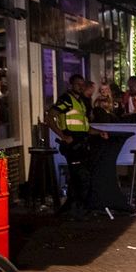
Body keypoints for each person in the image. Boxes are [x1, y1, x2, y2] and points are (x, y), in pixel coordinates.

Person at [47, 74, 109, 218]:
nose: (80, 87)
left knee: (79, 177)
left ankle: (74, 208)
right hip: (73, 144)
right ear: (71, 85)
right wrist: (64, 136)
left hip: (82, 142)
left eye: (82, 84)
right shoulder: (67, 99)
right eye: (77, 84)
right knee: (80, 177)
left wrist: (99, 132)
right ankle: (78, 209)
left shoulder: (80, 102)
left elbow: (84, 127)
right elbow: (50, 118)